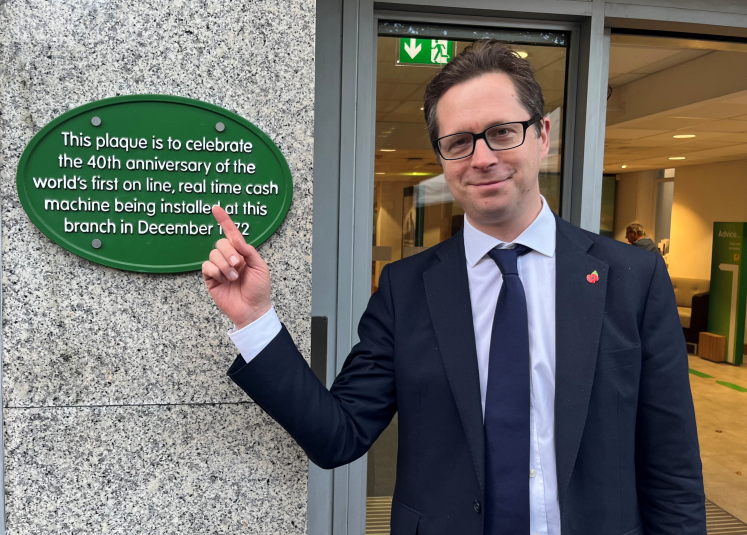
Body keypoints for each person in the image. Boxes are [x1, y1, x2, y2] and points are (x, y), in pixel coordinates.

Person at [203, 41, 704, 535]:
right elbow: (339, 436)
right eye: (459, 141)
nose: (482, 158)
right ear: (442, 156)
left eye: (503, 132)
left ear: (542, 135)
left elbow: (671, 463)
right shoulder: (407, 289)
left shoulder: (630, 278)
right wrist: (255, 320)